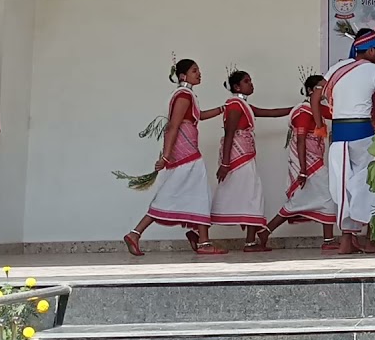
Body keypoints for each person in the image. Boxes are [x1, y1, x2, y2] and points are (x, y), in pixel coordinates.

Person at [124, 59, 226, 256]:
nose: (199, 73)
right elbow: (172, 126)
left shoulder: (187, 96)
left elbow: (199, 116)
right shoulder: (183, 96)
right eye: (194, 70)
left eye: (199, 70)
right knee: (187, 193)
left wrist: (223, 108)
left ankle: (199, 238)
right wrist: (166, 156)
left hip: (187, 152)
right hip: (186, 154)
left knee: (194, 192)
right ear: (182, 76)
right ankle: (137, 233)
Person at [317, 28, 375, 255]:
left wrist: (319, 125)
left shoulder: (337, 68)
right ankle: (371, 238)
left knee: (343, 189)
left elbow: (315, 95)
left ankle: (346, 241)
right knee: (371, 184)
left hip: (338, 136)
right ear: (369, 50)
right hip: (363, 134)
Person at [214, 70, 293, 252]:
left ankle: (247, 240)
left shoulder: (243, 105)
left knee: (244, 196)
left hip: (245, 157)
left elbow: (272, 113)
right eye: (247, 81)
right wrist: (225, 164)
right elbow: (229, 134)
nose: (251, 84)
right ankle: (247, 242)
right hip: (238, 159)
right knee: (251, 196)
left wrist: (297, 108)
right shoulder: (234, 106)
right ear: (237, 87)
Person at [259, 74, 338, 250]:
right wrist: (303, 170)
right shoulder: (303, 112)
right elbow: (301, 141)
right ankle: (328, 240)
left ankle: (265, 232)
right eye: (321, 88)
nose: (325, 92)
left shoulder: (317, 110)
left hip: (315, 162)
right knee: (324, 197)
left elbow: (339, 114)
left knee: (312, 200)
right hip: (308, 166)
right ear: (311, 91)